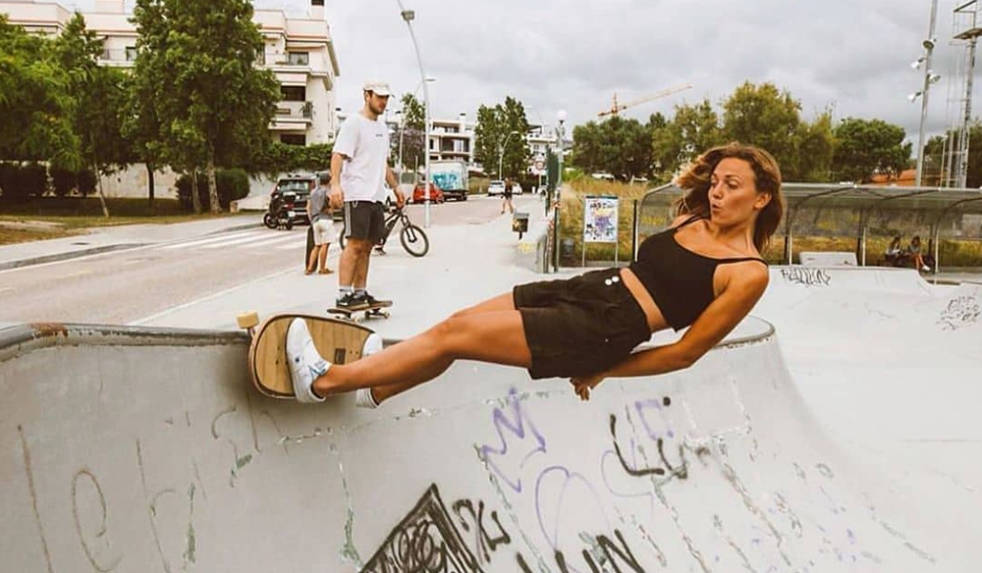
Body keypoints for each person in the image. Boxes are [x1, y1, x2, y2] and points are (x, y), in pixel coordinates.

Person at [286, 142, 783, 406]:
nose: (717, 192)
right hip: (589, 287)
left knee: (454, 337)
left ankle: (326, 382)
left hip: (606, 327)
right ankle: (379, 385)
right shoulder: (692, 217)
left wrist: (606, 368)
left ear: (761, 198)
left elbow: (684, 353)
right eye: (716, 181)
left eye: (732, 185)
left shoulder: (746, 274)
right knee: (457, 325)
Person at [329, 81, 406, 309]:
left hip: (376, 196)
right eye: (379, 97)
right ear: (367, 95)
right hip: (357, 194)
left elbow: (383, 163)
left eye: (386, 98)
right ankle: (343, 295)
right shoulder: (354, 123)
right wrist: (335, 184)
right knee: (354, 244)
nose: (383, 102)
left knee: (368, 246)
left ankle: (360, 293)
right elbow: (338, 155)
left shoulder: (382, 129)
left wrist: (396, 187)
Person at [305, 172, 336, 275]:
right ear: (328, 181)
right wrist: (332, 208)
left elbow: (308, 208)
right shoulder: (327, 191)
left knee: (317, 245)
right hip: (326, 219)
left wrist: (311, 219)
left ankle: (309, 268)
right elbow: (332, 202)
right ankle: (322, 268)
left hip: (315, 220)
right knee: (325, 244)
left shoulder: (313, 192)